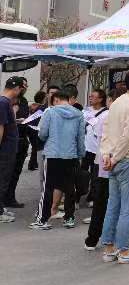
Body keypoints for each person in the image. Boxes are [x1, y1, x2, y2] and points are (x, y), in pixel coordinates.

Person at [99, 71, 129, 264]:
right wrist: (116, 157)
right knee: (128, 207)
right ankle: (125, 251)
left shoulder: (117, 102)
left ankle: (109, 248)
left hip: (113, 158)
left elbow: (106, 132)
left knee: (113, 205)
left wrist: (107, 156)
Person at [31, 89, 86, 229]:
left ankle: (42, 220)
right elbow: (81, 137)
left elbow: (42, 133)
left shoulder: (50, 112)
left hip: (53, 154)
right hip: (71, 155)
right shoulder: (79, 114)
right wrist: (80, 154)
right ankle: (69, 218)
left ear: (56, 100)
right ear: (68, 99)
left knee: (48, 187)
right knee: (70, 187)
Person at [85, 89, 121, 250]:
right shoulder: (127, 117)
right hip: (121, 164)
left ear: (110, 100)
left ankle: (92, 239)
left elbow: (98, 138)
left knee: (100, 204)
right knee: (118, 204)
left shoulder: (104, 117)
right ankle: (114, 240)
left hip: (103, 165)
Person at [0, 77, 26, 223]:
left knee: (4, 179)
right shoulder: (3, 102)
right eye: (21, 89)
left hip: (8, 148)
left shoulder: (5, 102)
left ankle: (0, 207)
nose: (21, 92)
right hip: (5, 150)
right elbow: (0, 127)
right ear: (16, 88)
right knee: (2, 180)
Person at [81, 89, 109, 223]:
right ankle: (78, 196)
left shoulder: (106, 113)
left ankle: (92, 197)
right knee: (82, 173)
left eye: (93, 96)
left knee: (95, 175)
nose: (90, 98)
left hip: (97, 149)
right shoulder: (85, 111)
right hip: (85, 147)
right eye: (90, 96)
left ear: (101, 99)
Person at [26, 90, 46, 171]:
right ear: (43, 98)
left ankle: (33, 164)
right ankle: (32, 164)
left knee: (34, 147)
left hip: (30, 128)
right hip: (34, 129)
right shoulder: (41, 108)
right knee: (35, 147)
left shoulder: (33, 106)